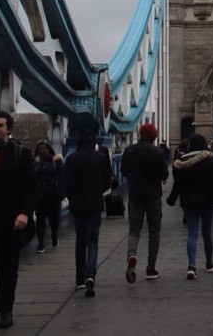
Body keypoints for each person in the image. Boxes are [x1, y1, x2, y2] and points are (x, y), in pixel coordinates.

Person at [0, 109, 36, 331]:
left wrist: (25, 212)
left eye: (1, 125)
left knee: (8, 268)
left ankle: (5, 310)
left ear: (9, 129)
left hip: (13, 222)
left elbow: (31, 188)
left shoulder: (21, 154)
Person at [167, 134, 213, 279]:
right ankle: (209, 263)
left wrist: (172, 199)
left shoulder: (183, 161)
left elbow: (178, 184)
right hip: (208, 201)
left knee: (192, 234)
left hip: (189, 202)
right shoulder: (210, 159)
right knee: (207, 233)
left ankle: (191, 266)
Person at [64, 129, 111, 297]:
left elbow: (68, 185)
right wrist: (99, 192)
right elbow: (108, 180)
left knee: (80, 240)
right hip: (95, 204)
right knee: (93, 240)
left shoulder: (71, 159)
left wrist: (74, 199)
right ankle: (90, 274)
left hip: (78, 206)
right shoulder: (100, 157)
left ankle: (79, 279)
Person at [120, 123, 169, 283]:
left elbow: (123, 172)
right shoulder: (158, 152)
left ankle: (132, 254)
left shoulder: (129, 150)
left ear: (140, 133)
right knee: (154, 231)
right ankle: (151, 269)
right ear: (154, 135)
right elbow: (164, 175)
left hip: (135, 196)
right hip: (153, 197)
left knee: (134, 230)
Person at [33, 141, 65, 253]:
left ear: (49, 149)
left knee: (54, 219)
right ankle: (40, 244)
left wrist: (61, 193)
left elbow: (62, 177)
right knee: (40, 221)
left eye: (44, 148)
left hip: (53, 196)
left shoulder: (56, 161)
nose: (42, 150)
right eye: (39, 149)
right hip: (40, 197)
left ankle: (54, 235)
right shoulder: (35, 163)